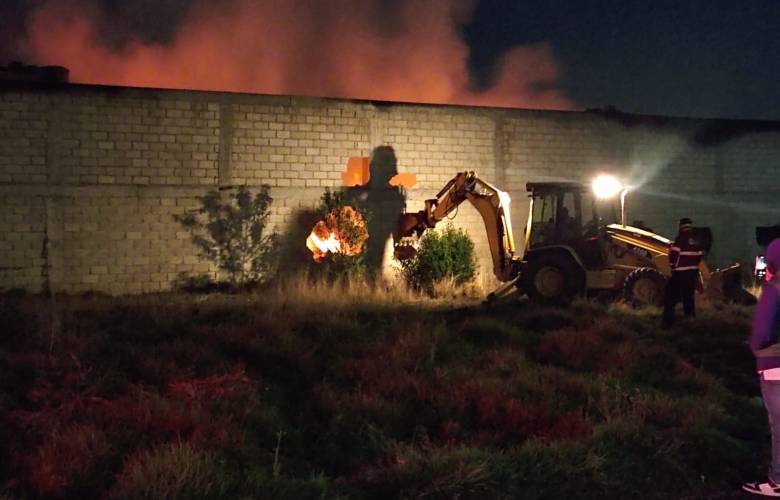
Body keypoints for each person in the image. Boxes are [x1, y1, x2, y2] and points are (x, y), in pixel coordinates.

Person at [743, 238, 780, 497]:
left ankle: (777, 481)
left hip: (775, 369)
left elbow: (762, 332)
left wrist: (755, 348)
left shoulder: (773, 290)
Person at [662, 217, 704, 327]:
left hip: (680, 273)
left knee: (669, 296)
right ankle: (690, 319)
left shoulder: (680, 239)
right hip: (692, 273)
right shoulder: (696, 240)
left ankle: (667, 322)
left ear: (681, 226)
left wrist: (673, 267)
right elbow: (700, 256)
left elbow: (674, 256)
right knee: (688, 296)